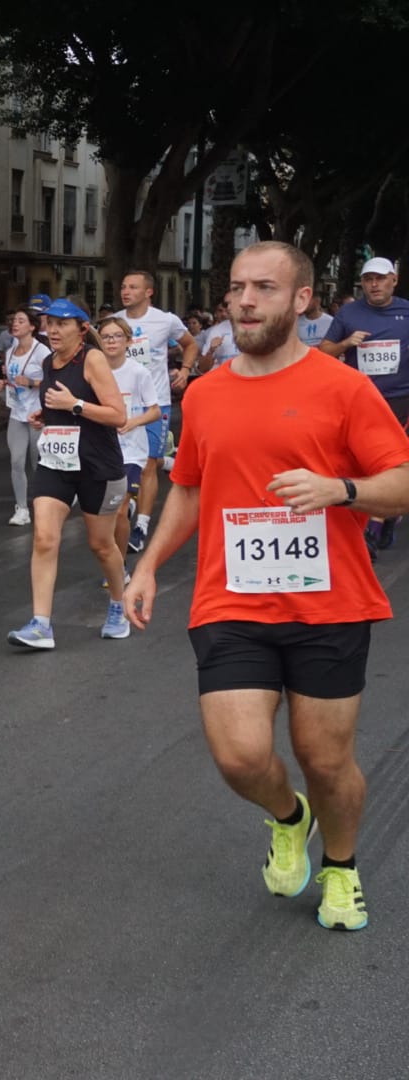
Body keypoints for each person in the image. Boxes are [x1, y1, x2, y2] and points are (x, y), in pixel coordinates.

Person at [125, 241, 409, 932]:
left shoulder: (343, 388)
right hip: (232, 601)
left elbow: (400, 485)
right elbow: (188, 490)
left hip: (330, 604)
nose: (245, 301)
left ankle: (341, 866)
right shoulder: (208, 391)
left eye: (264, 288)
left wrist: (340, 489)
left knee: (324, 756)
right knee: (241, 755)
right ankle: (290, 816)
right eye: (237, 288)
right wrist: (147, 564)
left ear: (302, 300)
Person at [6, 299, 132, 649]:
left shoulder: (92, 359)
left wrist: (74, 405)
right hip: (57, 462)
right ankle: (41, 625)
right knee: (45, 538)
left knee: (101, 545)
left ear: (81, 328)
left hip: (97, 465)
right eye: (50, 323)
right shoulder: (49, 361)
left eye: (62, 324)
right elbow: (59, 407)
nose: (54, 330)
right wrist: (47, 418)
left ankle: (119, 606)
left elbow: (117, 415)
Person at [321, 257, 409, 553]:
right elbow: (324, 354)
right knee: (364, 464)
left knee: (393, 464)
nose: (374, 285)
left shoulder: (407, 312)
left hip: (400, 399)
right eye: (369, 279)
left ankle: (370, 531)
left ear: (393, 280)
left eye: (381, 279)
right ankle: (386, 514)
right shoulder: (349, 313)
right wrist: (346, 344)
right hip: (361, 399)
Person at [118, 270, 200, 554]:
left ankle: (141, 524)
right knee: (123, 460)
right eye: (124, 286)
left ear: (148, 292)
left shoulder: (165, 321)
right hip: (121, 402)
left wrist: (186, 371)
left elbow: (190, 344)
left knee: (148, 464)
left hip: (156, 402)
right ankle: (126, 503)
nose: (126, 291)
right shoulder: (114, 322)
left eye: (133, 287)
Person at [96, 317, 165, 572]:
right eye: (106, 337)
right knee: (104, 514)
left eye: (117, 336)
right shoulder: (94, 371)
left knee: (121, 509)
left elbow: (155, 411)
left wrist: (134, 421)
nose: (111, 341)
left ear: (127, 341)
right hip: (102, 450)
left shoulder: (138, 372)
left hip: (132, 451)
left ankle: (119, 565)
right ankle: (114, 560)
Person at [0, 309, 49, 526]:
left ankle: (45, 503)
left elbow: (53, 381)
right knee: (16, 461)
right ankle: (22, 508)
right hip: (17, 413)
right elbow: (12, 379)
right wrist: (4, 383)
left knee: (39, 462)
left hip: (38, 414)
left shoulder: (42, 352)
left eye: (21, 320)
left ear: (32, 326)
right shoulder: (10, 352)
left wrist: (31, 382)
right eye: (13, 320)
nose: (15, 324)